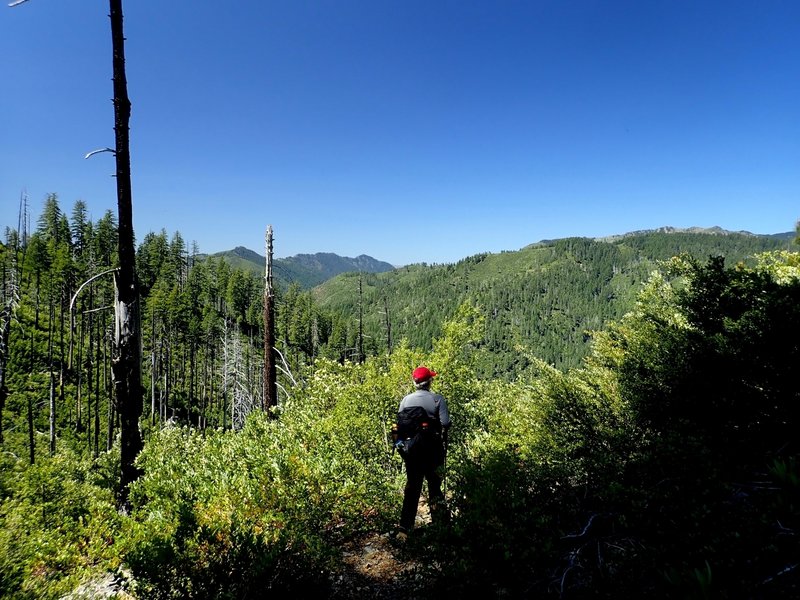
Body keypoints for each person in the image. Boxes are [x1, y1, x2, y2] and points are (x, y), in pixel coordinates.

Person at [395, 365, 451, 539]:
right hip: (433, 451)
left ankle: (404, 528)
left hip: (412, 452)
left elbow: (401, 424)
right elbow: (446, 423)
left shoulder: (405, 401)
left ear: (415, 382)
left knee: (412, 487)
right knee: (434, 487)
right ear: (430, 381)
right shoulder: (437, 399)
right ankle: (440, 527)